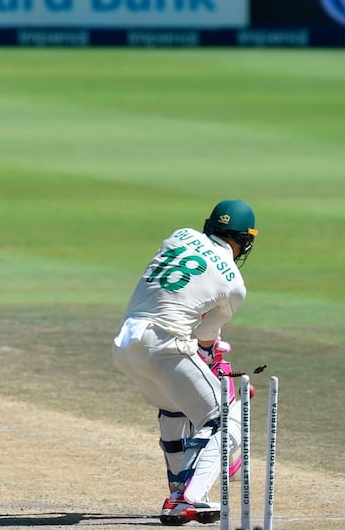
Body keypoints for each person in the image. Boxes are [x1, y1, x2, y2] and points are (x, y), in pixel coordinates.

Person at [111, 199, 258, 526]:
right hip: (164, 345)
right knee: (225, 417)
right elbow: (206, 339)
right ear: (244, 241)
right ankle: (186, 499)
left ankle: (181, 487)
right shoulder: (233, 282)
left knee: (175, 406)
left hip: (125, 344)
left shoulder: (180, 235)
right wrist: (214, 366)